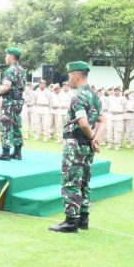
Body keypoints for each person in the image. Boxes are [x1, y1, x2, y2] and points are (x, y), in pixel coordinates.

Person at [49, 61, 105, 233]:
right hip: (87, 146)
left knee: (71, 180)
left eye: (69, 76)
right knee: (84, 181)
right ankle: (83, 219)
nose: (69, 79)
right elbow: (102, 120)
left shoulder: (78, 96)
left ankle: (71, 221)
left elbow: (83, 123)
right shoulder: (94, 95)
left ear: (75, 75)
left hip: (75, 144)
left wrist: (90, 137)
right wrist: (95, 139)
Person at [0, 47, 26, 161]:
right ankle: (17, 152)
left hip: (9, 102)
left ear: (12, 56)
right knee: (16, 125)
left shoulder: (10, 70)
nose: (5, 58)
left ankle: (5, 153)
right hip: (18, 101)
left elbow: (6, 87)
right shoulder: (22, 70)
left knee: (6, 125)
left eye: (6, 55)